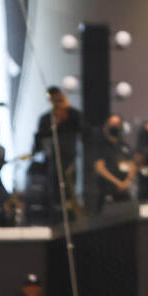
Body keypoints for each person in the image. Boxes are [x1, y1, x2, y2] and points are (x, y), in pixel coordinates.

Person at [32, 87, 82, 219]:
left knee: (70, 188)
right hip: (52, 160)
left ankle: (71, 213)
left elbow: (83, 128)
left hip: (69, 158)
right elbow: (40, 139)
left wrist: (68, 109)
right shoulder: (46, 118)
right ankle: (56, 213)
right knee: (54, 189)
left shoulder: (72, 115)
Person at [93, 115, 137, 211]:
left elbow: (132, 165)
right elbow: (100, 168)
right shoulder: (102, 146)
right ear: (106, 126)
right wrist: (117, 183)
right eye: (112, 124)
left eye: (117, 124)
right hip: (107, 192)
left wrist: (127, 182)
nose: (115, 127)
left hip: (125, 193)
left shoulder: (125, 146)